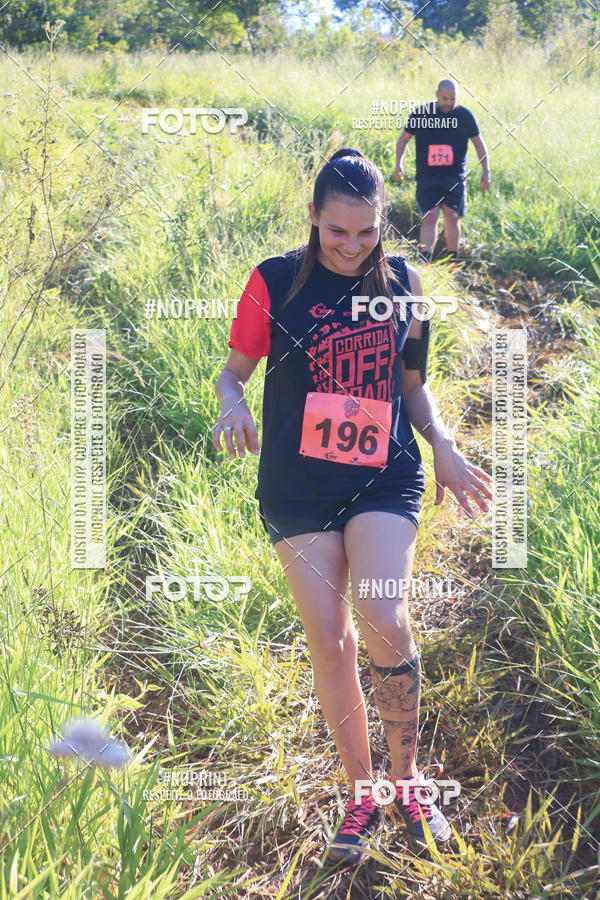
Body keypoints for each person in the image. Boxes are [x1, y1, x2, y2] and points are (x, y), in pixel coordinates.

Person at [213, 148, 492, 866]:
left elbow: (412, 386)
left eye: (366, 233)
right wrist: (231, 406)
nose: (351, 246)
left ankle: (408, 782)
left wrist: (445, 445)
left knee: (384, 616)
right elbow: (231, 373)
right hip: (296, 488)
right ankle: (362, 791)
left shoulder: (404, 282)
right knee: (331, 641)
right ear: (313, 218)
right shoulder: (274, 281)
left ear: (382, 224)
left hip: (383, 478)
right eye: (338, 232)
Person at [394, 79, 490, 266]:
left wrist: (486, 171)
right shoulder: (422, 114)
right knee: (429, 217)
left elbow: (478, 143)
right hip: (427, 176)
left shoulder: (464, 116)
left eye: (452, 99)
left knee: (452, 216)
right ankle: (425, 263)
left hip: (454, 176)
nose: (448, 103)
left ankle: (453, 263)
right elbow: (403, 140)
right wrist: (398, 164)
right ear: (437, 94)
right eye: (445, 98)